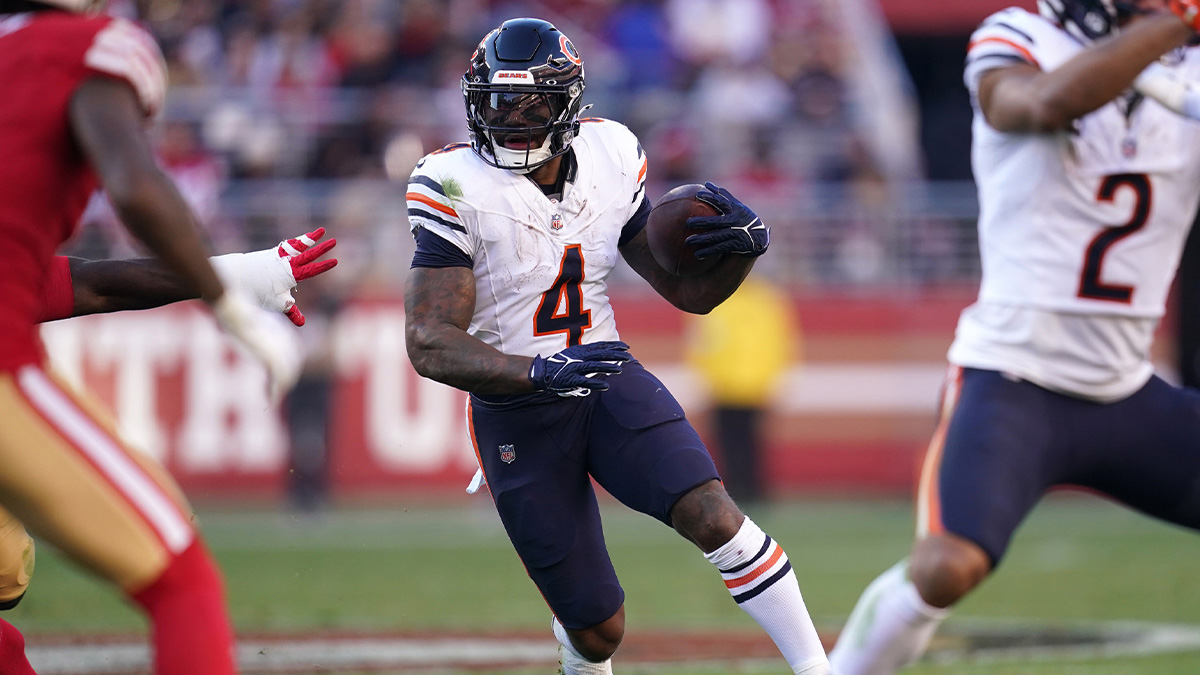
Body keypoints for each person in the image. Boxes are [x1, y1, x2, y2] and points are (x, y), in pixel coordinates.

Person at [404, 18, 829, 675]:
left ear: (568, 105)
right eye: (497, 102)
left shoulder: (612, 155)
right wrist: (538, 370)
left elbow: (688, 294)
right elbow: (429, 342)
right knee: (598, 629)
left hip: (603, 376)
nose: (511, 120)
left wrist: (743, 253)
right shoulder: (453, 183)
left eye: (532, 105)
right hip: (517, 407)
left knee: (714, 515)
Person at [828, 1, 1200, 672]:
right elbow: (1042, 103)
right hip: (1016, 380)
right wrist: (1171, 23)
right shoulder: (1020, 38)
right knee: (946, 566)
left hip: (1126, 387)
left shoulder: (1186, 63)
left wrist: (1170, 32)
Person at [0, 1, 329, 673]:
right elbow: (136, 187)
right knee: (182, 581)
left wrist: (234, 273)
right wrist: (226, 301)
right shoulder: (91, 47)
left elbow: (79, 284)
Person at [685, 274, 798, 505]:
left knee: (748, 441)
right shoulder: (761, 299)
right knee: (730, 441)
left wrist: (771, 380)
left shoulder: (757, 299)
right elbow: (701, 343)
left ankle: (750, 489)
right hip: (727, 385)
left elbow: (777, 342)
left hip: (749, 385)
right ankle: (736, 489)